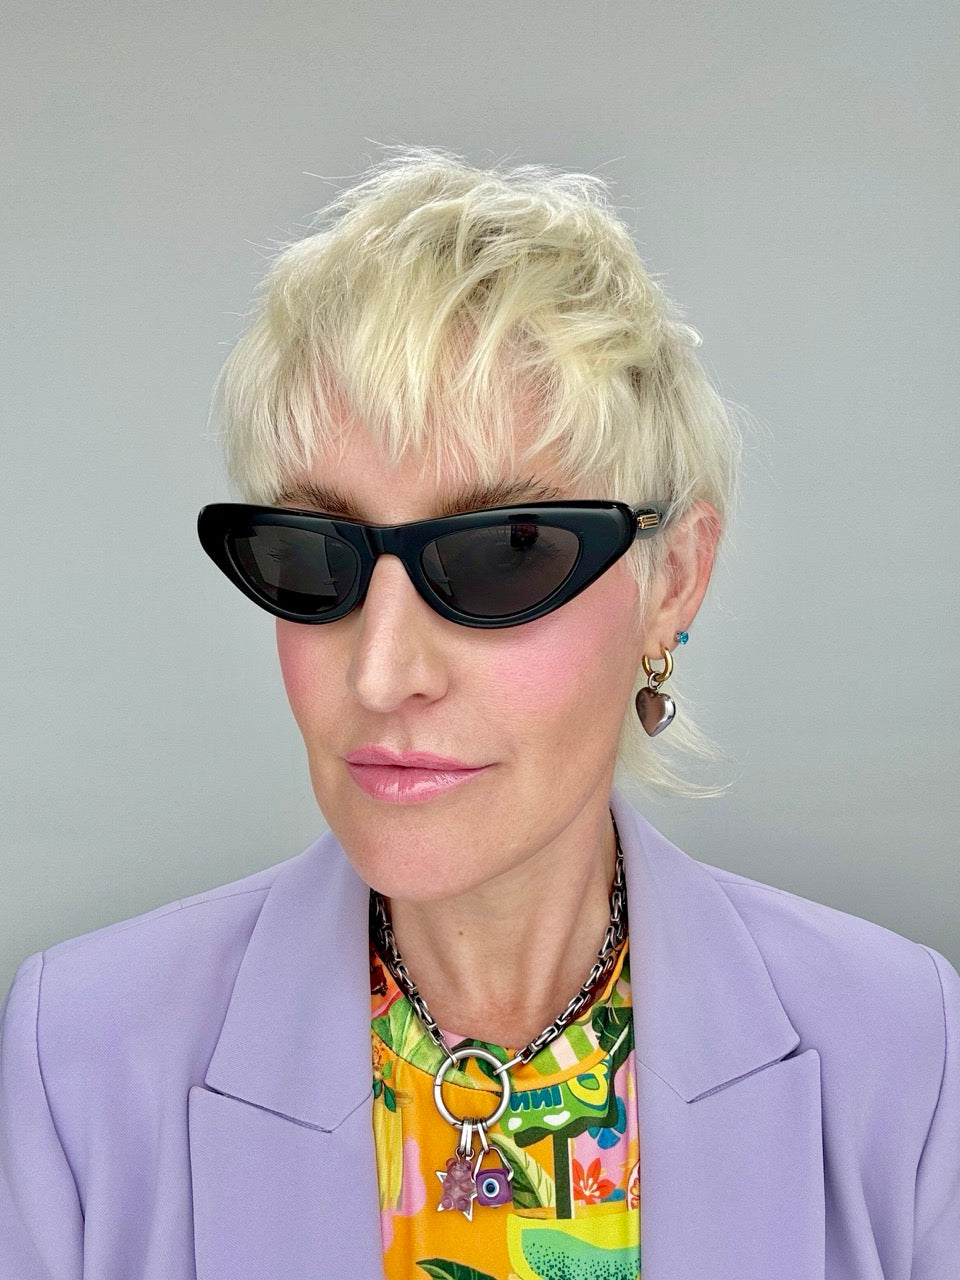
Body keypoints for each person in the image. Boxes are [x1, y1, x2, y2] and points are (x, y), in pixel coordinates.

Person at [1, 149, 957, 1280]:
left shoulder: (909, 1054)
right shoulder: (78, 1061)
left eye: (504, 552)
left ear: (673, 579)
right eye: (317, 554)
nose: (382, 672)